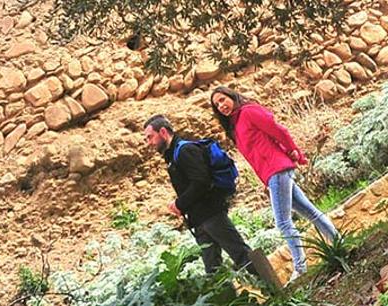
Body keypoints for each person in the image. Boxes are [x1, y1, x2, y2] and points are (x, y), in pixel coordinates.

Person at [210, 86, 339, 278]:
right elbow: (256, 155)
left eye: (222, 99)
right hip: (272, 174)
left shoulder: (249, 112)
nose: (221, 105)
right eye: (217, 104)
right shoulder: (236, 125)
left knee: (283, 222)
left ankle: (301, 268)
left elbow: (277, 130)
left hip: (277, 169)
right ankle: (338, 242)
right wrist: (266, 182)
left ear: (232, 96)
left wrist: (293, 150)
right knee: (308, 211)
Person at [143, 114, 258, 277]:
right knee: (212, 269)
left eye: (150, 137)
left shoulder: (185, 151)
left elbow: (201, 182)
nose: (149, 143)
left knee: (240, 254)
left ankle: (275, 290)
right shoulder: (173, 155)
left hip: (211, 214)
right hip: (199, 220)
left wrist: (179, 204)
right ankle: (225, 300)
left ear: (162, 132)